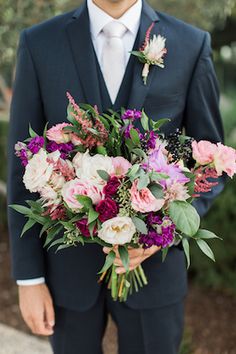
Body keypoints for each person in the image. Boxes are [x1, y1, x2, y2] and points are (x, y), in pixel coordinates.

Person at [7, 0, 224, 353]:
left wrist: (166, 230)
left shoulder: (190, 44)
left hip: (155, 275)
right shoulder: (39, 43)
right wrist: (28, 278)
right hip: (67, 275)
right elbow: (22, 170)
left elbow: (214, 160)